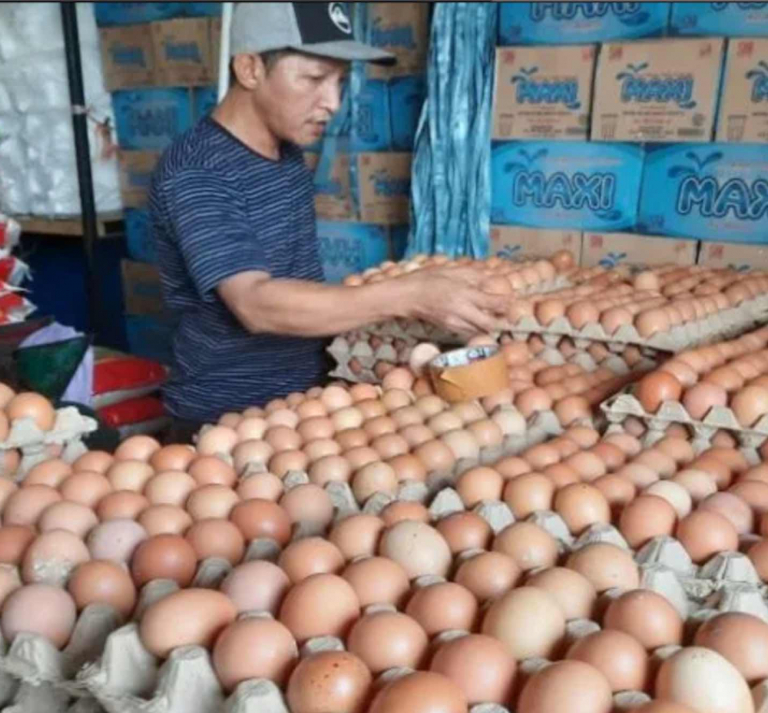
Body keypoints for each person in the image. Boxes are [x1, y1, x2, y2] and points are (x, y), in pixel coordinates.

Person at [148, 1, 508, 438]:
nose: (333, 102)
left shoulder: (285, 155)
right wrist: (406, 294)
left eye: (340, 80)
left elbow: (291, 280)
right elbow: (255, 304)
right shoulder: (198, 169)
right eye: (315, 79)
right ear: (249, 69)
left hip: (305, 401)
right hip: (228, 422)